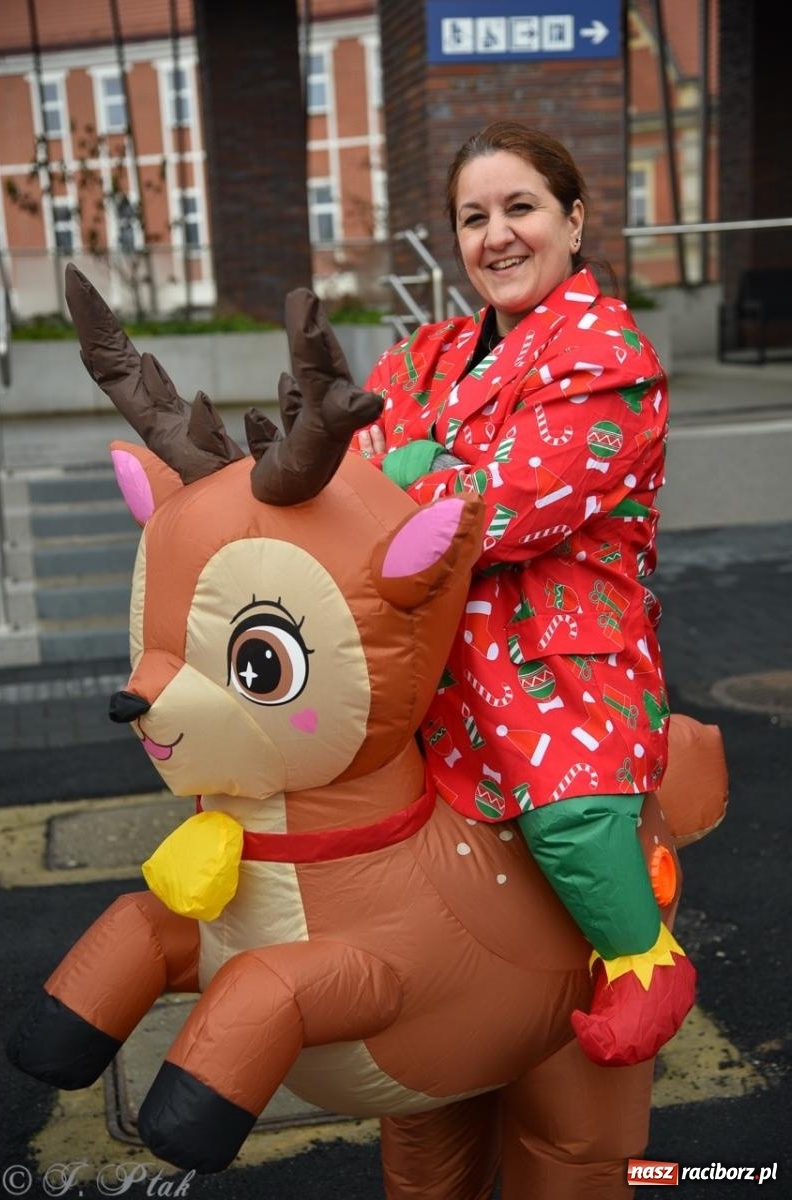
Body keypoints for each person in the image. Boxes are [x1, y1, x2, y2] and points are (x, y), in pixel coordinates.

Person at [353, 120, 695, 1067]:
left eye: (520, 208)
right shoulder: (425, 351)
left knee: (565, 814)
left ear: (573, 221)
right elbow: (351, 467)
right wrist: (419, 472)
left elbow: (501, 512)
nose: (495, 235)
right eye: (473, 218)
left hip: (550, 658)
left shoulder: (609, 352)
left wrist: (409, 466)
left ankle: (643, 961)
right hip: (424, 658)